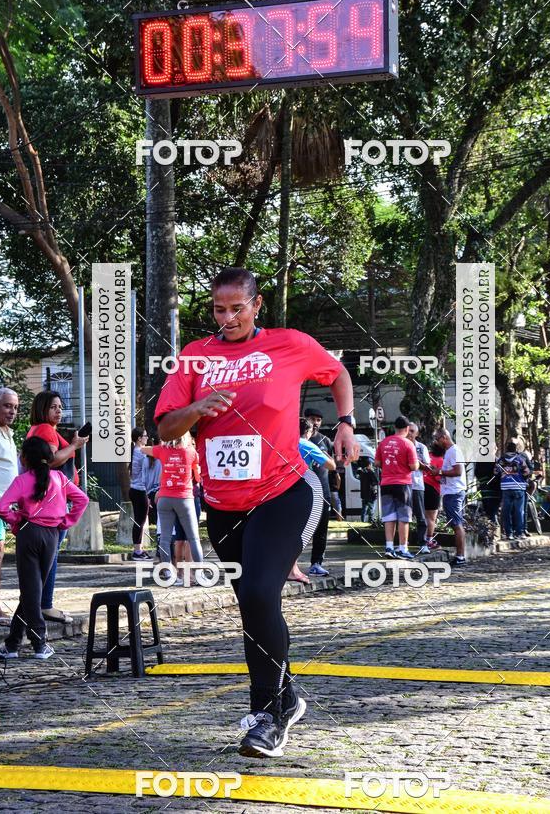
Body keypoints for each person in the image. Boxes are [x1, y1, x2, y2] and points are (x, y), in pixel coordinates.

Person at [154, 266, 358, 758]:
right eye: (218, 310)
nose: (227, 318)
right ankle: (286, 697)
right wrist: (197, 408)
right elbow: (165, 428)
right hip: (224, 505)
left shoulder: (289, 344)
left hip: (284, 491)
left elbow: (337, 373)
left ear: (257, 304)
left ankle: (267, 715)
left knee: (260, 593)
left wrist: (346, 422)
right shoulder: (194, 357)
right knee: (253, 604)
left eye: (237, 308)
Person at [0, 437, 88, 660]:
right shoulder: (60, 478)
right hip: (52, 535)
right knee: (33, 590)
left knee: (31, 591)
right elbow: (82, 500)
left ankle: (39, 643)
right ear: (48, 457)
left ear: (24, 459)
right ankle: (12, 644)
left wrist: (17, 520)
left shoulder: (21, 480)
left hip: (29, 533)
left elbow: (1, 507)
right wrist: (65, 521)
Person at [27, 391, 89, 622]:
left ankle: (39, 604)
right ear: (42, 408)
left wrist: (73, 445)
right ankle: (46, 604)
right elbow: (51, 460)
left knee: (48, 553)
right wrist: (74, 445)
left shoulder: (40, 429)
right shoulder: (45, 429)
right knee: (51, 554)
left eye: (61, 407)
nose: (59, 411)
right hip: (55, 498)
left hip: (51, 497)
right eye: (53, 406)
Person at [142, 433, 204, 583]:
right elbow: (198, 476)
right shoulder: (191, 452)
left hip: (164, 498)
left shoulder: (162, 450)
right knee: (193, 538)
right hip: (184, 499)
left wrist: (140, 445)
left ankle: (169, 575)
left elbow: (143, 450)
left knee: (165, 538)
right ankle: (200, 574)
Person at [375, 416, 419, 560]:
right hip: (403, 484)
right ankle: (402, 549)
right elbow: (413, 466)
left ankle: (389, 547)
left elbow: (377, 463)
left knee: (389, 516)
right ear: (407, 428)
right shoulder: (408, 444)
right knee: (403, 517)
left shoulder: (383, 442)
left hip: (386, 483)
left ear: (395, 427)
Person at [0, 388, 19, 625]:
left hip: (5, 503)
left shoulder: (7, 432)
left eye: (15, 407)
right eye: (7, 405)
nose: (12, 411)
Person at [303, 408, 336, 577]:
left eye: (318, 420)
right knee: (297, 529)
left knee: (321, 530)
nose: (315, 423)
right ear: (305, 419)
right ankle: (289, 565)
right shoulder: (297, 439)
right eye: (312, 419)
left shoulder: (325, 440)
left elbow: (333, 465)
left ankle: (316, 564)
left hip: (323, 491)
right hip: (301, 491)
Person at [432, 428, 467, 566]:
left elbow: (458, 471)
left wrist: (440, 472)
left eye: (437, 439)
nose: (436, 442)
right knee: (455, 524)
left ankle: (460, 556)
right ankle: (460, 555)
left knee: (457, 524)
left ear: (444, 438)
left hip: (454, 492)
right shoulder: (449, 452)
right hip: (450, 491)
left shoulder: (454, 451)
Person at [496, 440, 530, 540]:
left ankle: (509, 533)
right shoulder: (519, 459)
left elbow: (496, 472)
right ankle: (519, 533)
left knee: (506, 511)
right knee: (519, 511)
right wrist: (523, 479)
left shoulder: (501, 460)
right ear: (515, 449)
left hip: (506, 487)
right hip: (519, 487)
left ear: (506, 449)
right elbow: (526, 472)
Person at [407, 422, 431, 553]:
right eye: (408, 430)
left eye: (412, 431)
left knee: (420, 516)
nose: (409, 433)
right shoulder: (401, 445)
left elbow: (427, 467)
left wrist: (414, 459)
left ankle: (423, 543)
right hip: (402, 484)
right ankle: (403, 544)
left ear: (417, 433)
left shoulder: (421, 447)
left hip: (417, 485)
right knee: (403, 516)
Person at [129, 428, 152, 560]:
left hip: (134, 489)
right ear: (139, 438)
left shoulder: (134, 451)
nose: (147, 437)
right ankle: (137, 551)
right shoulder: (141, 452)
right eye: (145, 435)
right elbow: (148, 470)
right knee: (140, 521)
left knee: (139, 521)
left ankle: (139, 549)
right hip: (140, 490)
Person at [143, 436, 162, 558]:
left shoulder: (145, 460)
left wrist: (146, 495)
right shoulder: (162, 459)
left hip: (150, 493)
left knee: (158, 522)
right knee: (163, 522)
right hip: (161, 492)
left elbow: (143, 479)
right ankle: (163, 547)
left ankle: (159, 547)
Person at [423, 440, 444, 550]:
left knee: (422, 516)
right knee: (431, 518)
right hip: (433, 489)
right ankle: (429, 541)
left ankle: (421, 539)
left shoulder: (427, 456)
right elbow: (438, 478)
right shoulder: (440, 460)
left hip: (421, 487)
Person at [474, 453, 502, 529]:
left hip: (484, 487)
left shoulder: (479, 460)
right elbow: (498, 473)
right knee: (493, 511)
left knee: (488, 511)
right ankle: (494, 529)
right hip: (494, 488)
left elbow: (476, 473)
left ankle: (489, 529)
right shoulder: (495, 459)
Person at [358, 459, 378, 524]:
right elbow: (376, 481)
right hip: (371, 493)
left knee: (364, 508)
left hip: (364, 493)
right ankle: (370, 520)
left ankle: (362, 521)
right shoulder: (371, 472)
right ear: (369, 465)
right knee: (371, 508)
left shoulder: (361, 472)